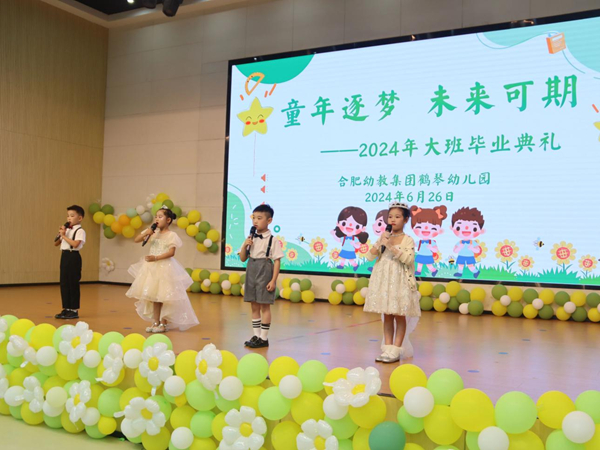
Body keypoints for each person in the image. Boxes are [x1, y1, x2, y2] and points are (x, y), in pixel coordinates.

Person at [126, 206, 199, 333]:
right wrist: (147, 233)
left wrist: (156, 257)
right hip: (151, 269)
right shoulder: (153, 232)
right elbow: (137, 239)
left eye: (160, 217)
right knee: (154, 296)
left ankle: (163, 323)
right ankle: (155, 322)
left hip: (165, 268)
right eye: (156, 217)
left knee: (164, 296)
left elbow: (171, 252)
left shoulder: (171, 235)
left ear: (168, 220)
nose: (157, 219)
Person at [364, 202, 420, 363]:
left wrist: (391, 246)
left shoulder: (408, 240)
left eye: (397, 217)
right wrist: (380, 243)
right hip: (384, 280)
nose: (393, 220)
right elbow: (369, 256)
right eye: (390, 217)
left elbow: (408, 259)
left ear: (406, 219)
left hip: (400, 281)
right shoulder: (384, 237)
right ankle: (387, 349)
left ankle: (396, 350)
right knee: (387, 315)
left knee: (399, 315)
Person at [239, 204, 284, 348]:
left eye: (259, 218)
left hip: (265, 270)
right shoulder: (251, 238)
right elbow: (242, 258)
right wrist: (244, 245)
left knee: (264, 305)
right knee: (254, 305)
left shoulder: (272, 240)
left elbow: (277, 261)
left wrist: (273, 280)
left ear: (269, 220)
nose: (255, 221)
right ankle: (256, 335)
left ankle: (264, 338)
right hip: (251, 269)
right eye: (254, 218)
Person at [55, 205, 86, 320]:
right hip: (64, 256)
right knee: (64, 282)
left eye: (72, 216)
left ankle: (74, 309)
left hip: (73, 256)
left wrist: (64, 236)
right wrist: (61, 234)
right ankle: (66, 308)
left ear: (80, 218)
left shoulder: (80, 231)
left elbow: (75, 244)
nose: (69, 218)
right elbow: (56, 243)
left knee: (73, 283)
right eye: (68, 216)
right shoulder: (67, 230)